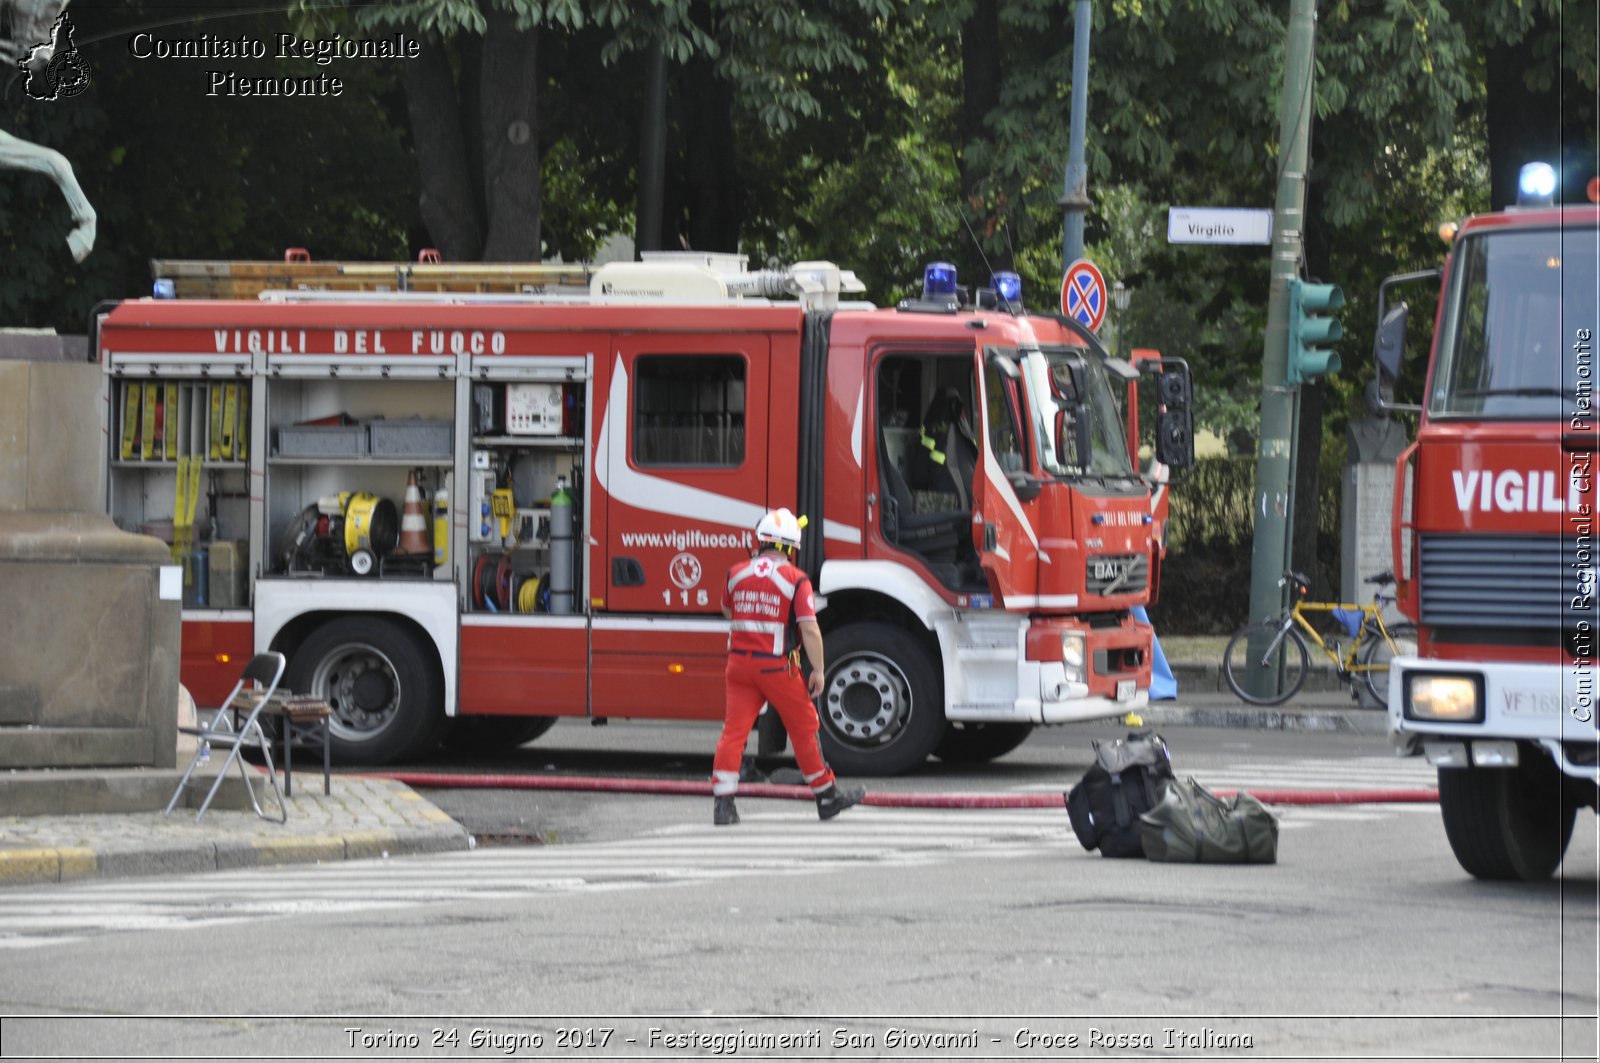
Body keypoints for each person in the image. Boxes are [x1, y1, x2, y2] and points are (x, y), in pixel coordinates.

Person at [711, 507, 864, 826]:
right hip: (776, 668)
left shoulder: (737, 572)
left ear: (761, 541)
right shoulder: (796, 580)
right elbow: (809, 628)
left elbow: (728, 611)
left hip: (738, 665)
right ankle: (826, 796)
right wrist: (819, 671)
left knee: (734, 733)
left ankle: (724, 804)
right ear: (790, 548)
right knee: (805, 729)